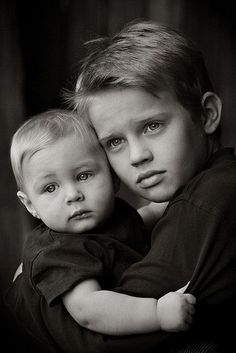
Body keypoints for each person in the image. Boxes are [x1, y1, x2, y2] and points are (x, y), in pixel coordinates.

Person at [5, 19, 236, 352]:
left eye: (153, 126)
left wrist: (27, 288)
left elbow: (104, 338)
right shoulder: (191, 194)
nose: (137, 155)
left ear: (207, 114)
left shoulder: (208, 201)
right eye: (114, 142)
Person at [7, 108, 195, 342]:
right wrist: (157, 313)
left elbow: (137, 223)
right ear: (30, 205)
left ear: (113, 176)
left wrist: (170, 204)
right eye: (50, 188)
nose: (73, 195)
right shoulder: (56, 252)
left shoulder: (113, 214)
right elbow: (90, 310)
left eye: (83, 176)